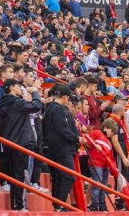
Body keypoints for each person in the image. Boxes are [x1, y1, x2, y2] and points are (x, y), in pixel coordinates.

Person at [0, 78, 42, 211]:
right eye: (18, 86)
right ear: (11, 87)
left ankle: (15, 205)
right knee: (19, 176)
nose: (20, 88)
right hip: (20, 143)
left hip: (9, 143)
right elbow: (36, 105)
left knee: (14, 176)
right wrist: (35, 93)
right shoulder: (16, 102)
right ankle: (20, 206)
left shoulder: (3, 103)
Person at [42, 83, 83, 212]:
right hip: (61, 148)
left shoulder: (49, 108)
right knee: (69, 176)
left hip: (52, 147)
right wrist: (77, 138)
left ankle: (57, 205)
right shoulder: (57, 109)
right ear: (64, 97)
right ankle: (59, 206)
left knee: (59, 177)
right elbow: (62, 130)